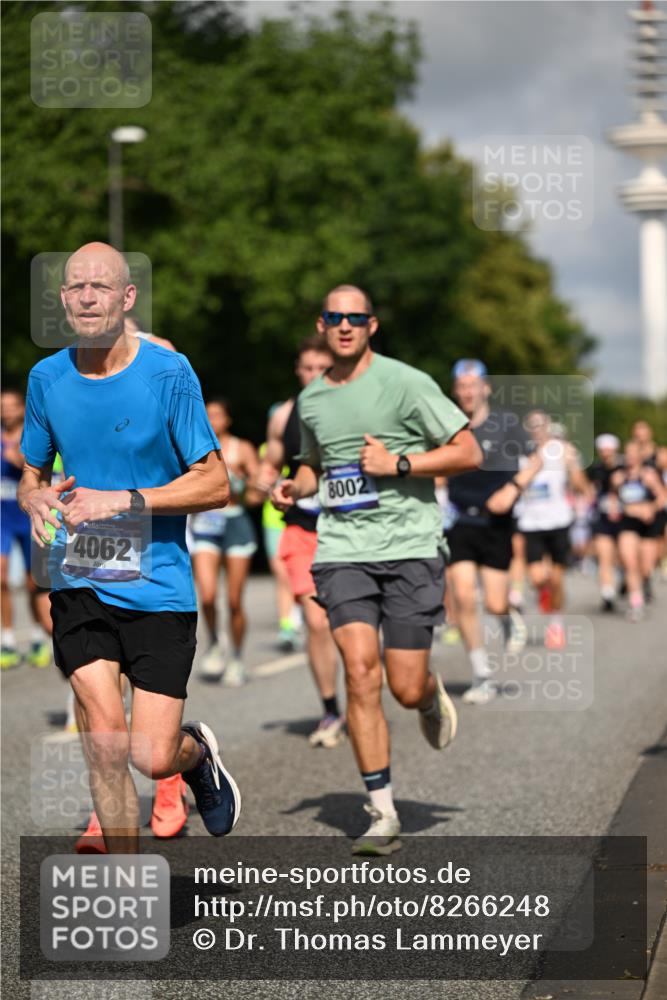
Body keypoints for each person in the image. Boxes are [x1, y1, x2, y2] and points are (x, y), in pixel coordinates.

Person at [18, 241, 241, 854]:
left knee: (150, 755)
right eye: (75, 287)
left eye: (100, 286)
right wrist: (35, 499)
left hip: (159, 586)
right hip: (78, 578)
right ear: (63, 299)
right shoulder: (47, 377)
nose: (87, 296)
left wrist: (124, 500)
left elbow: (217, 483)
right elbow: (32, 474)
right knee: (106, 744)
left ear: (126, 297)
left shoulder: (168, 373)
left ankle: (194, 756)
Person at [272, 285, 481, 855]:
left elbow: (468, 451)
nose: (344, 326)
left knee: (402, 684)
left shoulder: (406, 382)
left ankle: (428, 690)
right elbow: (317, 464)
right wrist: (296, 486)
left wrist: (400, 463)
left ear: (372, 325)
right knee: (360, 674)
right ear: (322, 324)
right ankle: (382, 811)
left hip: (411, 545)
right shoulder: (311, 400)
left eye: (355, 318)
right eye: (334, 318)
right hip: (342, 550)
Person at [259, 334, 345, 748]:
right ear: (298, 370)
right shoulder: (284, 417)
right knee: (315, 621)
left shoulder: (352, 408)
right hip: (302, 529)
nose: (313, 376)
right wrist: (264, 484)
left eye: (321, 369)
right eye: (306, 368)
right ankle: (330, 708)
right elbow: (270, 464)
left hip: (350, 529)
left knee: (351, 626)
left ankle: (363, 693)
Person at [445, 360, 541, 705]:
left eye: (474, 385)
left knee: (496, 601)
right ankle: (481, 674)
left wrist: (513, 489)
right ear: (456, 390)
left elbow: (535, 460)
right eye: (462, 386)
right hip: (459, 521)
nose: (468, 392)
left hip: (496, 523)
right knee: (464, 596)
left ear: (485, 387)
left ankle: (507, 616)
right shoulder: (448, 424)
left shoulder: (506, 423)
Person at [190, 399, 262, 686]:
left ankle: (237, 657)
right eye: (208, 415)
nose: (212, 419)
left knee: (234, 601)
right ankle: (215, 643)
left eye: (218, 415)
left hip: (235, 522)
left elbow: (258, 491)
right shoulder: (194, 445)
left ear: (228, 419)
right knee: (206, 595)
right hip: (205, 522)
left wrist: (245, 484)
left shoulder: (241, 448)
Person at [516, 411, 591, 648]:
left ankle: (555, 624)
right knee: (538, 578)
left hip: (558, 521)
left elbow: (581, 486)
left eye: (540, 424)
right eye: (532, 425)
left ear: (548, 426)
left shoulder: (562, 450)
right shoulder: (519, 452)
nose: (537, 428)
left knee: (557, 579)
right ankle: (545, 594)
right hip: (530, 522)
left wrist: (573, 466)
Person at [1, 389, 52, 669]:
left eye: (11, 406)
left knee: (35, 582)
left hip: (27, 518)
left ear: (21, 408)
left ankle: (36, 635)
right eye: (2, 407)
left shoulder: (32, 437)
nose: (7, 411)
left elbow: (40, 472)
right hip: (2, 519)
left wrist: (17, 460)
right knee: (1, 577)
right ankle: (7, 639)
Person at [610, 439, 666, 621]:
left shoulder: (649, 476)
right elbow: (612, 500)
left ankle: (644, 583)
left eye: (635, 453)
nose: (631, 457)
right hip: (628, 524)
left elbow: (662, 498)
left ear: (641, 456)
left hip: (648, 525)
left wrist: (649, 508)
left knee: (646, 567)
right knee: (630, 562)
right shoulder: (618, 477)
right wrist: (619, 509)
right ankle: (636, 603)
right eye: (628, 454)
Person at [588, 434, 623, 612]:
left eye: (608, 450)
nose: (605, 453)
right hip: (602, 517)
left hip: (624, 518)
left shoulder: (624, 467)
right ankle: (607, 592)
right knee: (604, 556)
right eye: (602, 450)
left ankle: (626, 579)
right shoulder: (596, 468)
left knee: (623, 556)